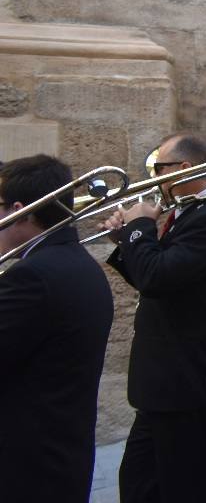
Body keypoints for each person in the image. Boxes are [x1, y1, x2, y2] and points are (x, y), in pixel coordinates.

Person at [105, 133, 206, 503]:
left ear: (184, 168)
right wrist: (127, 239)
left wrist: (139, 229)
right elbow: (156, 282)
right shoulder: (190, 214)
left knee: (188, 487)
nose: (156, 178)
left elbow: (157, 276)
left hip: (186, 380)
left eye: (159, 169)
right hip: (166, 381)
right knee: (140, 485)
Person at [0, 155, 114, 503]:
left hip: (27, 464)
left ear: (22, 210)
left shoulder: (33, 275)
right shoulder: (78, 263)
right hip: (62, 452)